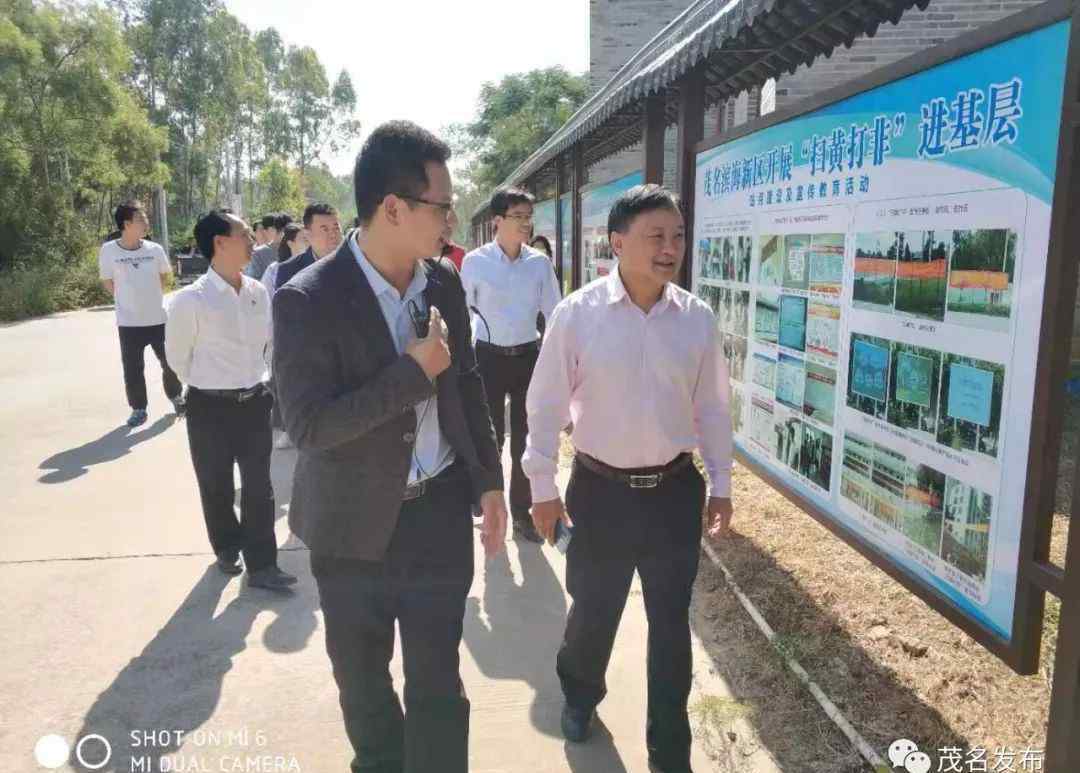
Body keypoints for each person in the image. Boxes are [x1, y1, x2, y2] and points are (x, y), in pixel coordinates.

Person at [272, 121, 508, 773]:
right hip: (349, 531)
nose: (453, 219)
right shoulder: (306, 301)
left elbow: (467, 381)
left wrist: (489, 479)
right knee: (367, 691)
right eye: (442, 206)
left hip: (436, 515)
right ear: (394, 208)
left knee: (438, 686)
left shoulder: (444, 284)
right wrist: (410, 373)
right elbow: (309, 425)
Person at [523, 184, 735, 773]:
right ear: (618, 242)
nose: (671, 249)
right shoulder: (578, 315)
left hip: (672, 491)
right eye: (656, 237)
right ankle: (579, 696)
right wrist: (541, 487)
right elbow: (544, 406)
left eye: (678, 237)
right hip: (599, 493)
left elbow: (713, 407)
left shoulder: (695, 319)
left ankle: (670, 748)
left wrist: (721, 482)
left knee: (671, 624)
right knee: (594, 610)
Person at [164, 209, 298, 591]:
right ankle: (226, 546)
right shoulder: (190, 301)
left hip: (255, 401)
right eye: (243, 234)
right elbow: (177, 359)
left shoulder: (258, 293)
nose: (252, 241)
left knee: (260, 486)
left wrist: (260, 380)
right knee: (216, 483)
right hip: (209, 407)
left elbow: (270, 344)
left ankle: (263, 566)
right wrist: (211, 383)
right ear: (220, 243)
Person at [461, 188, 561, 543]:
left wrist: (554, 360)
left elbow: (554, 314)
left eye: (527, 217)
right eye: (517, 216)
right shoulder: (475, 262)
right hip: (486, 358)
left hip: (528, 359)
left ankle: (521, 512)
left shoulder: (539, 263)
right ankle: (488, 501)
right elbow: (461, 314)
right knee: (489, 437)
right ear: (498, 221)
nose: (525, 223)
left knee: (525, 438)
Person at [98, 200, 184, 427]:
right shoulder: (109, 251)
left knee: (170, 362)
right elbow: (107, 281)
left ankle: (176, 397)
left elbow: (164, 277)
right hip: (129, 322)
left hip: (158, 319)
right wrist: (126, 299)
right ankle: (139, 408)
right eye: (140, 219)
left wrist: (148, 296)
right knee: (133, 368)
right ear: (126, 224)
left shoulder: (154, 249)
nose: (146, 222)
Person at [259, 223, 309, 296]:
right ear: (290, 243)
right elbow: (266, 297)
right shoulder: (274, 269)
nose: (309, 243)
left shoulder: (315, 264)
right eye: (305, 239)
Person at [245, 212, 293, 279]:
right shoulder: (258, 253)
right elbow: (253, 280)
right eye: (288, 231)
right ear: (274, 229)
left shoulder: (294, 249)